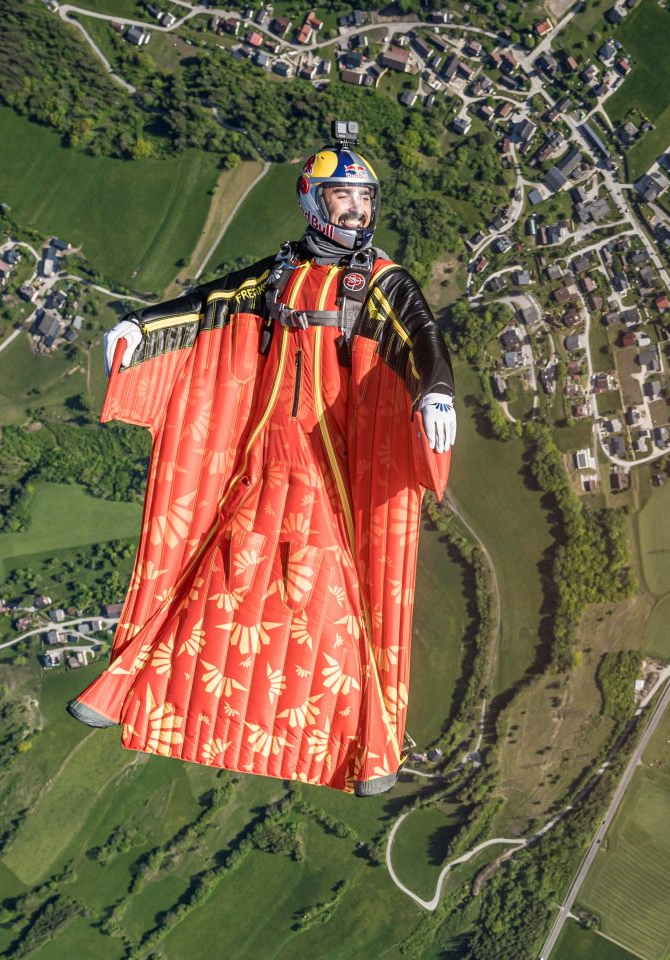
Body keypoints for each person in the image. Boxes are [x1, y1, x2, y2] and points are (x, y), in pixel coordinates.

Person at [68, 121, 456, 797]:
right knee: (211, 571)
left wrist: (437, 393)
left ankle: (368, 750)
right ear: (314, 202)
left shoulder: (381, 283)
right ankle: (126, 690)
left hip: (330, 470)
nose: (357, 211)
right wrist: (142, 325)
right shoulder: (283, 272)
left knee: (338, 599)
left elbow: (419, 335)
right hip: (263, 456)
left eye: (364, 199)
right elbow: (211, 304)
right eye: (344, 198)